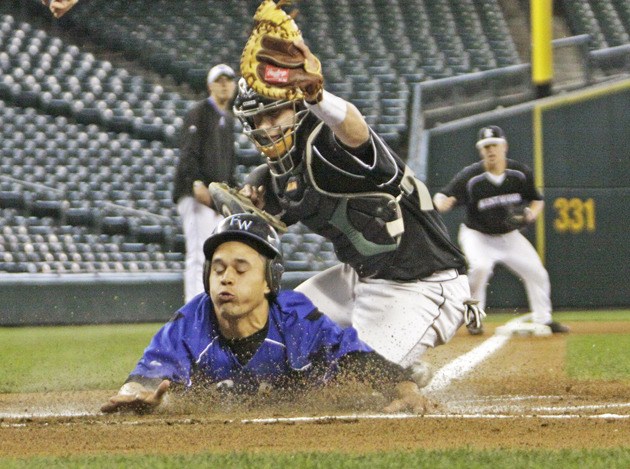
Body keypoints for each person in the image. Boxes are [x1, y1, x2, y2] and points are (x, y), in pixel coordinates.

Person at [230, 40, 481, 372]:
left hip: (421, 285)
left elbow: (356, 131)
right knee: (268, 336)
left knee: (355, 383)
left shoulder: (328, 143)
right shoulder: (277, 172)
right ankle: (395, 365)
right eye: (257, 119)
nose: (265, 128)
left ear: (298, 106)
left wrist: (318, 97)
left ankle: (391, 368)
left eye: (273, 113)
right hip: (356, 279)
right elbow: (263, 228)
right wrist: (246, 216)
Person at [101, 214, 429, 414]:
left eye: (241, 270)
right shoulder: (191, 321)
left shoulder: (295, 318)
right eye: (218, 269)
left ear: (269, 281)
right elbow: (150, 372)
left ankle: (405, 368)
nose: (226, 278)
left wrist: (401, 386)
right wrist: (133, 394)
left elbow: (351, 355)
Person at [432, 125, 569, 335]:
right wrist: (441, 202)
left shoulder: (519, 174)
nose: (490, 150)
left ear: (504, 146)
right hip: (477, 235)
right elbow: (443, 195)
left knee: (537, 272)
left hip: (508, 236)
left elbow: (537, 200)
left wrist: (531, 213)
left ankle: (544, 319)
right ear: (481, 150)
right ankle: (473, 319)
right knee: (480, 268)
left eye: (494, 145)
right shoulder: (471, 177)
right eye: (485, 146)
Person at [172, 64, 238, 302]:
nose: (224, 85)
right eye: (219, 81)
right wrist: (196, 183)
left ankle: (207, 304)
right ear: (210, 86)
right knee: (198, 254)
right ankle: (193, 307)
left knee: (211, 254)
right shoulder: (199, 112)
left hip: (215, 198)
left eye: (228, 80)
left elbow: (229, 163)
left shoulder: (228, 119)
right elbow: (188, 152)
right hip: (196, 193)